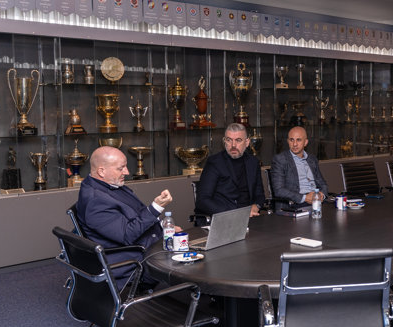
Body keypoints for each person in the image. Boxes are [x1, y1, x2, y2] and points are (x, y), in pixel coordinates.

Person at [76, 145, 176, 289]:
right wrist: (156, 208)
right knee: (191, 258)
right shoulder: (95, 201)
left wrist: (163, 227)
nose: (127, 172)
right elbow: (127, 235)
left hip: (142, 244)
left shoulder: (108, 185)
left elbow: (135, 215)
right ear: (101, 171)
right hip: (133, 259)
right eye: (121, 168)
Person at [195, 123, 265, 219]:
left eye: (238, 140)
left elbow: (260, 195)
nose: (233, 145)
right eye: (229, 140)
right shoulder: (214, 162)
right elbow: (202, 201)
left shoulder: (253, 162)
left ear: (247, 142)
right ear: (224, 142)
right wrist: (235, 214)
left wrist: (256, 206)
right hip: (223, 218)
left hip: (249, 218)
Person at [270, 126, 328, 208]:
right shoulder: (280, 160)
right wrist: (305, 198)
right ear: (288, 141)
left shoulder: (312, 159)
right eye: (291, 140)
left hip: (316, 202)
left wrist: (321, 195)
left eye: (299, 140)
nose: (295, 144)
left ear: (305, 142)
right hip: (295, 204)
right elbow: (279, 190)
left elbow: (323, 184)